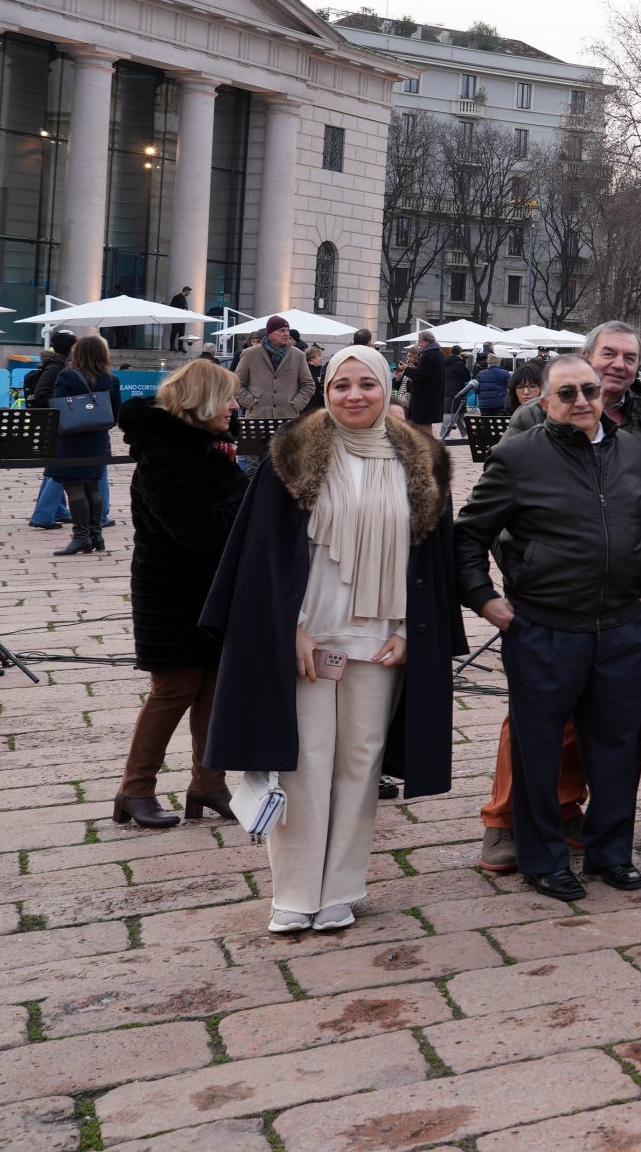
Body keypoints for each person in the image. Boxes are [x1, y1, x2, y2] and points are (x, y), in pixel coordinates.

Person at [201, 345, 460, 933]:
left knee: (360, 764)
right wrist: (284, 629)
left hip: (382, 638)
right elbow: (262, 557)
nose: (354, 395)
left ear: (388, 387)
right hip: (308, 635)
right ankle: (293, 893)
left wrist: (413, 632)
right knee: (303, 763)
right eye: (342, 384)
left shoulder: (421, 461)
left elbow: (433, 561)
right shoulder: (290, 457)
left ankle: (341, 886)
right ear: (326, 389)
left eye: (367, 384)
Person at [455, 354, 641, 900]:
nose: (582, 401)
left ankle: (611, 851)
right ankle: (542, 857)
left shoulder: (634, 452)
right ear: (544, 401)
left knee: (616, 747)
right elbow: (469, 534)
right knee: (538, 749)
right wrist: (483, 598)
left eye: (590, 390)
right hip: (545, 627)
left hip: (620, 626)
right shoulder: (519, 456)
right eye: (567, 393)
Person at [114, 358, 249, 827]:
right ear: (203, 401)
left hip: (210, 589)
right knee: (172, 690)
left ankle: (208, 786)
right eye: (228, 396)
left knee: (214, 689)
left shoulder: (205, 447)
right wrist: (247, 510)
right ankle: (135, 790)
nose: (235, 405)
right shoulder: (168, 454)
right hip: (171, 592)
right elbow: (197, 531)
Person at [44, 333, 123, 555]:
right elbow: (115, 414)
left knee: (74, 487)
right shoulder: (111, 379)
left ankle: (80, 537)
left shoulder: (67, 376)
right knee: (92, 485)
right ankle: (96, 536)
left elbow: (56, 408)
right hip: (98, 439)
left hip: (71, 440)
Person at [238, 317, 317, 424]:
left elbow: (308, 385)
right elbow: (236, 384)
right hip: (257, 417)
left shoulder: (298, 355)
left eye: (288, 330)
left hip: (288, 418)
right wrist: (251, 403)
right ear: (270, 333)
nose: (286, 334)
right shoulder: (249, 354)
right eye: (281, 330)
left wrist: (295, 405)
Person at [587, 322, 641, 431]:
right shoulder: (553, 411)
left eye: (629, 358)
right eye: (609, 354)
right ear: (587, 357)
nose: (619, 365)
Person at [504, 359, 549, 434]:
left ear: (542, 389)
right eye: (520, 387)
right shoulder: (503, 417)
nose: (526, 392)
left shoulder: (552, 418)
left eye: (532, 386)